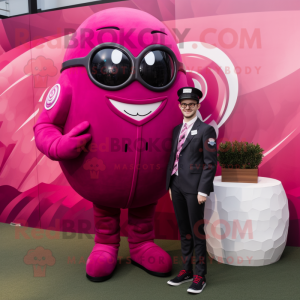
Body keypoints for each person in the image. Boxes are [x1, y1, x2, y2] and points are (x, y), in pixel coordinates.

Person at [165, 87, 217, 294]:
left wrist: (203, 190)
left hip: (195, 190)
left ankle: (200, 275)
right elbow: (173, 158)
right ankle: (186, 270)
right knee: (184, 230)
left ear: (197, 106)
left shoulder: (206, 130)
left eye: (192, 105)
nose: (187, 107)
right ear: (180, 106)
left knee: (197, 232)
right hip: (176, 186)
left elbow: (210, 163)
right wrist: (170, 185)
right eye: (184, 104)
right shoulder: (176, 129)